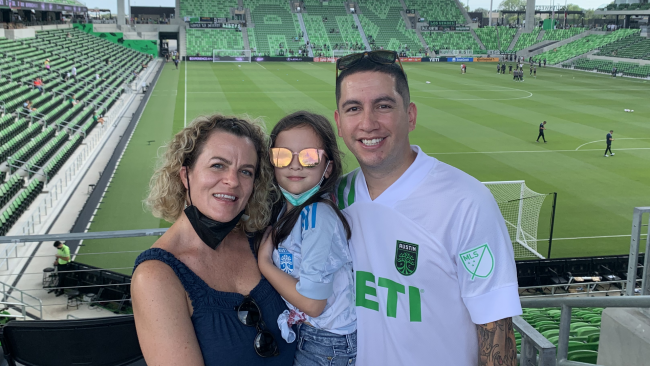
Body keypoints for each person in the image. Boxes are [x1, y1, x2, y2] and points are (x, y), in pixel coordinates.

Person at [333, 50, 521, 366]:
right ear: (339, 123)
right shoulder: (335, 198)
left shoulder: (466, 202)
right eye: (354, 108)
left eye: (383, 106)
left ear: (411, 115)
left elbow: (496, 331)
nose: (368, 123)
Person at [132, 115, 296, 366]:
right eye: (218, 165)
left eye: (245, 171)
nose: (232, 181)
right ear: (185, 176)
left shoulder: (261, 240)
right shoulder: (156, 277)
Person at [258, 111, 357, 365]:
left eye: (309, 157)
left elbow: (313, 303)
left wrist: (265, 264)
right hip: (315, 336)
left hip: (326, 342)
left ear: (328, 167)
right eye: (282, 156)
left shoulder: (317, 216)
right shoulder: (290, 209)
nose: (295, 165)